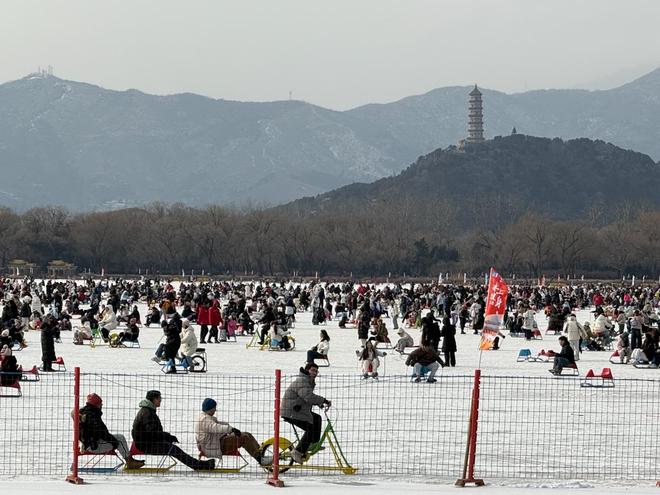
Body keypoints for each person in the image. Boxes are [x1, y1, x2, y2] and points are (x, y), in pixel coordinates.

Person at [131, 390, 215, 471]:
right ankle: (198, 466)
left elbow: (153, 433)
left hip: (147, 442)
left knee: (174, 449)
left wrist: (167, 437)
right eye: (159, 398)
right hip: (146, 445)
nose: (160, 400)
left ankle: (198, 464)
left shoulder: (148, 411)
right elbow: (152, 433)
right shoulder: (147, 413)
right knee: (174, 449)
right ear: (153, 399)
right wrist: (167, 437)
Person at [195, 398, 271, 466]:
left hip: (215, 442)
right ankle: (260, 460)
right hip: (212, 447)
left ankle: (260, 455)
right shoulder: (204, 420)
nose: (215, 410)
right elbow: (216, 427)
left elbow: (217, 425)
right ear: (210, 408)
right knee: (244, 438)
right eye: (214, 408)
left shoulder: (206, 418)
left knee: (247, 434)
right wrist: (231, 429)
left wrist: (230, 428)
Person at [77, 393, 145, 469]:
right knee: (120, 440)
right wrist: (113, 441)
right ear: (96, 404)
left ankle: (130, 460)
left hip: (89, 443)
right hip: (94, 446)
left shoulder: (85, 412)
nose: (101, 405)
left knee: (120, 437)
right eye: (100, 404)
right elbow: (101, 433)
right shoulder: (92, 416)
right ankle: (130, 462)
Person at [281, 363, 331, 464]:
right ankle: (297, 451)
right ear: (307, 370)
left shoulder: (308, 381)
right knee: (310, 427)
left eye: (316, 371)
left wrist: (319, 403)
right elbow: (308, 397)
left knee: (317, 418)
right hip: (290, 411)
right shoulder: (302, 381)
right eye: (313, 370)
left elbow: (306, 397)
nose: (315, 373)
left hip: (298, 410)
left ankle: (313, 443)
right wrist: (323, 400)